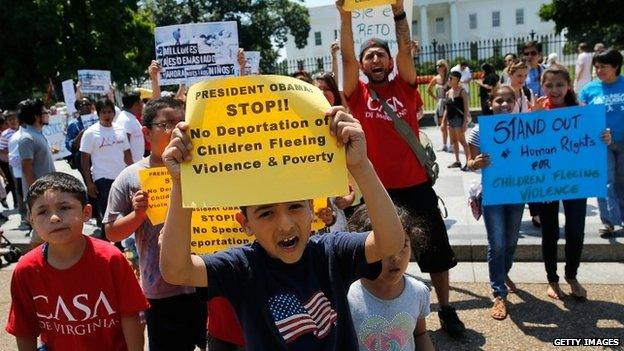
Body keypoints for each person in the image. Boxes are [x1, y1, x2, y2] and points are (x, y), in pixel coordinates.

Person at [159, 104, 406, 349]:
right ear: (245, 223)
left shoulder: (331, 252)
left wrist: (361, 165)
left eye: (295, 207)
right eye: (266, 213)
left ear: (311, 207)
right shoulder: (241, 268)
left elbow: (391, 242)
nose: (285, 224)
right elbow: (176, 271)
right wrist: (182, 184)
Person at [337, 0, 464, 338]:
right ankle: (371, 311)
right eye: (370, 56)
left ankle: (446, 308)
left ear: (390, 62)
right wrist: (344, 14)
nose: (375, 59)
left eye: (381, 54)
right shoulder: (356, 93)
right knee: (369, 254)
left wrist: (398, 10)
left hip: (415, 185)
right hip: (376, 191)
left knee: (435, 251)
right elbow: (346, 57)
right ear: (363, 66)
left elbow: (406, 48)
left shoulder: (405, 87)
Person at [103, 97, 210, 351]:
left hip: (205, 281)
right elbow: (110, 232)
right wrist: (138, 215)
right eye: (167, 124)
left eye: (182, 123)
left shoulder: (204, 170)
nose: (177, 130)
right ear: (146, 132)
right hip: (161, 291)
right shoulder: (130, 177)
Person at [5, 172, 148, 350]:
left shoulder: (111, 258)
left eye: (64, 208)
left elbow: (130, 315)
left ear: (86, 212)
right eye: (43, 211)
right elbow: (24, 328)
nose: (54, 218)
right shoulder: (26, 269)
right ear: (31, 220)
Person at [534, 66, 612, 300]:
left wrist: (605, 137)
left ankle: (571, 275)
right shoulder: (537, 111)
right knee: (549, 231)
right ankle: (552, 278)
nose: (555, 90)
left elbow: (595, 140)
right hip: (547, 180)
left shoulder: (583, 112)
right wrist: (533, 117)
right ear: (542, 86)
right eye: (549, 85)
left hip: (576, 181)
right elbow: (526, 147)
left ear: (568, 86)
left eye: (559, 85)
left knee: (576, 230)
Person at [466, 85, 523, 320]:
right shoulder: (479, 131)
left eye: (509, 100)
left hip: (518, 192)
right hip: (493, 193)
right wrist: (475, 163)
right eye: (499, 100)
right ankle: (498, 293)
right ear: (490, 103)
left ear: (516, 102)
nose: (504, 104)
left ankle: (503, 272)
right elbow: (469, 162)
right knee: (497, 243)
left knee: (510, 242)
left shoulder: (525, 128)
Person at [347, 204, 434, 351]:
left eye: (402, 245)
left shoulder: (419, 292)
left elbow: (420, 333)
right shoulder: (347, 296)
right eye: (384, 247)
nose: (395, 257)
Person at [579, 49, 624, 237]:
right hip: (600, 143)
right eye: (596, 67)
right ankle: (608, 222)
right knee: (605, 183)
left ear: (615, 66)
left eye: (603, 66)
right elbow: (579, 114)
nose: (598, 70)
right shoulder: (589, 89)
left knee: (622, 182)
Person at [79, 99, 132, 238]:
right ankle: (108, 243)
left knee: (123, 212)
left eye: (109, 111)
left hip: (120, 178)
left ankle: (118, 244)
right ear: (98, 113)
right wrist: (89, 183)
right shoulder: (90, 133)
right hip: (102, 179)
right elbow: (84, 159)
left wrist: (133, 174)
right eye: (103, 112)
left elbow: (127, 154)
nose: (107, 115)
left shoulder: (120, 130)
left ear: (114, 113)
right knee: (108, 215)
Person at [18, 99, 56, 247]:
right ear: (36, 116)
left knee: (46, 233)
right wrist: (38, 194)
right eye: (44, 112)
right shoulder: (27, 138)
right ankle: (30, 267)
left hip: (47, 192)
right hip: (40, 195)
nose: (47, 114)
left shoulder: (37, 135)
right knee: (40, 234)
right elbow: (27, 168)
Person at [444, 70, 471, 169]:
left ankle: (468, 162)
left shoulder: (462, 91)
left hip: (459, 120)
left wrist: (464, 123)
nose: (449, 80)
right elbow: (446, 109)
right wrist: (444, 122)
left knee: (462, 141)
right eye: (449, 78)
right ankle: (457, 161)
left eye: (451, 78)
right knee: (454, 141)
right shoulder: (448, 93)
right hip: (451, 120)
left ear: (457, 80)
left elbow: (466, 109)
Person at [427, 59, 450, 151]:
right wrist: (436, 99)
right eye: (437, 66)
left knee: (450, 125)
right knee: (442, 125)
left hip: (449, 103)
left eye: (439, 65)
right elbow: (428, 90)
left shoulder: (449, 77)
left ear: (444, 67)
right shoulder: (436, 78)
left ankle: (451, 144)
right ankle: (444, 144)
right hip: (440, 104)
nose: (437, 67)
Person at [116, 92, 146, 163]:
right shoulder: (125, 120)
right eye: (141, 102)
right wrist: (130, 165)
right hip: (131, 165)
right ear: (136, 104)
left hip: (137, 162)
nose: (142, 105)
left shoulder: (131, 118)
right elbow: (124, 147)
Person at [0, 111, 18, 209]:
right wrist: (12, 151)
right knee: (13, 183)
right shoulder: (5, 134)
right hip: (9, 162)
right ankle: (17, 203)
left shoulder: (22, 130)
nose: (12, 121)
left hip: (23, 162)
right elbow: (1, 149)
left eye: (14, 118)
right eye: (10, 120)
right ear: (7, 122)